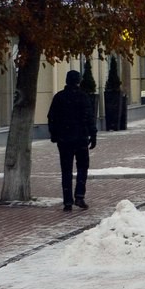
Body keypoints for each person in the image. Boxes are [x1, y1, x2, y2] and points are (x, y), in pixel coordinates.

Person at [48, 70, 97, 211]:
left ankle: (67, 201)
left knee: (66, 170)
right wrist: (93, 135)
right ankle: (80, 195)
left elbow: (51, 117)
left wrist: (54, 134)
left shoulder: (59, 97)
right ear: (78, 81)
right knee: (82, 167)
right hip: (81, 138)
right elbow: (89, 117)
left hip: (64, 140)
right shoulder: (83, 97)